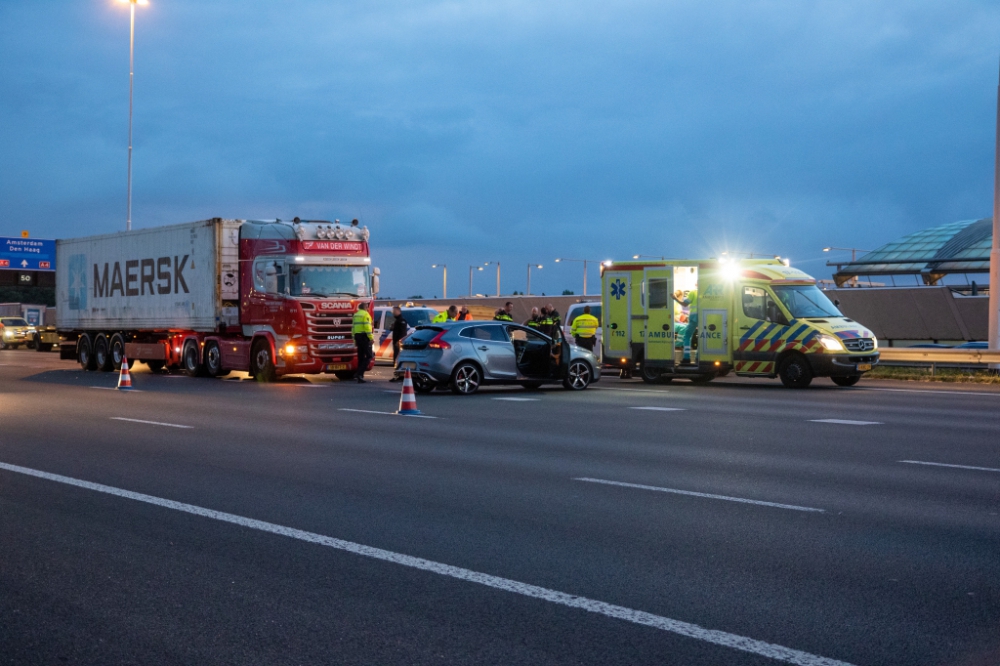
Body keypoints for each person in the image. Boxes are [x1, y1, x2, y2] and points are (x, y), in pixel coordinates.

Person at [673, 288, 698, 363]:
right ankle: (697, 357)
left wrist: (675, 298)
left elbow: (685, 303)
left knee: (687, 336)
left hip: (694, 317)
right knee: (702, 337)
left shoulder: (693, 292)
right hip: (703, 317)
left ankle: (686, 357)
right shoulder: (705, 294)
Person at [352, 301, 374, 383]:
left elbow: (353, 328)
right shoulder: (366, 315)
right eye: (367, 307)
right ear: (365, 308)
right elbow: (367, 328)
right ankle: (359, 373)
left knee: (360, 356)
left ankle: (359, 375)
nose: (368, 309)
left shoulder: (356, 315)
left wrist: (354, 339)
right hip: (364, 337)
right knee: (369, 356)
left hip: (357, 337)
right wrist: (371, 338)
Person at [389, 306, 408, 381]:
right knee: (396, 360)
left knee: (398, 360)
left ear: (398, 311)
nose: (393, 313)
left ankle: (399, 375)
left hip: (398, 343)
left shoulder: (401, 321)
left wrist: (399, 341)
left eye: (394, 311)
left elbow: (402, 333)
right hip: (396, 343)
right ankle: (398, 375)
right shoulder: (397, 321)